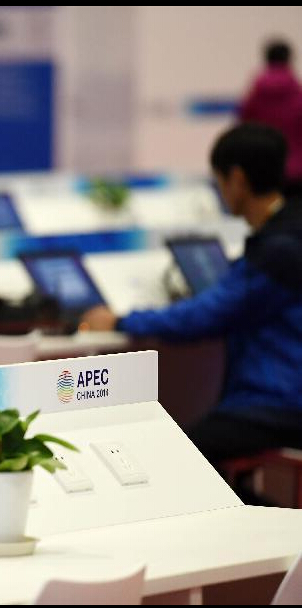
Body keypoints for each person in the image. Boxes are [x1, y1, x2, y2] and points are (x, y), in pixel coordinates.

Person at [81, 124, 302, 503]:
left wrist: (119, 322)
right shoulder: (287, 235)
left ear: (237, 179)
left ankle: (261, 531)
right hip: (281, 397)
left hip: (279, 404)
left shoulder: (278, 249)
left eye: (219, 181)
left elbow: (202, 317)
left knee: (183, 454)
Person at [239, 39, 302, 198]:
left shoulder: (253, 98)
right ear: (289, 59)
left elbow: (244, 133)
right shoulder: (298, 96)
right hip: (297, 171)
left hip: (262, 171)